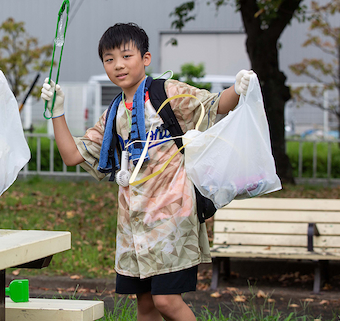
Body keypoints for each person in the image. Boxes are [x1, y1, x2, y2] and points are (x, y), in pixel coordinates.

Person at [41, 22, 253, 321]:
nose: (118, 65)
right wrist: (57, 111)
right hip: (133, 224)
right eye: (109, 59)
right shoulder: (113, 113)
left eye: (126, 56)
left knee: (166, 301)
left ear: (146, 58)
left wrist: (238, 88)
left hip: (171, 216)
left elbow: (214, 105)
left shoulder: (166, 92)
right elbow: (73, 155)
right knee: (146, 306)